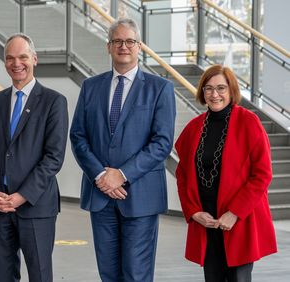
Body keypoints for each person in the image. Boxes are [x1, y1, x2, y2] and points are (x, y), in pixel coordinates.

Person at [70, 18, 176, 282]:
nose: (123, 46)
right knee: (108, 274)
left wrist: (122, 174)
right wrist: (100, 176)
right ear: (109, 47)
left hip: (140, 197)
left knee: (136, 275)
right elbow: (78, 136)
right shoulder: (91, 87)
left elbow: (162, 143)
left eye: (129, 41)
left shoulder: (160, 88)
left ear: (139, 47)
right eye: (118, 41)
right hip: (100, 196)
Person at [0, 33, 69, 282]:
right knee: (2, 276)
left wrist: (21, 196)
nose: (17, 63)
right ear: (5, 62)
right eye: (10, 58)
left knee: (39, 275)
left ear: (34, 59)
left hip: (35, 206)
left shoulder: (54, 102)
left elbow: (53, 158)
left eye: (23, 57)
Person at [175, 64, 277, 281]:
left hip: (238, 221)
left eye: (221, 88)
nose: (214, 94)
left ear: (231, 90)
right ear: (202, 92)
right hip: (206, 221)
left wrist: (235, 213)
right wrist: (193, 212)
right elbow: (182, 174)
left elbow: (262, 175)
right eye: (208, 88)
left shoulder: (249, 123)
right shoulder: (194, 127)